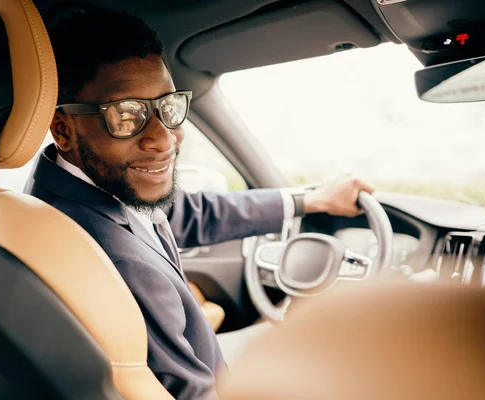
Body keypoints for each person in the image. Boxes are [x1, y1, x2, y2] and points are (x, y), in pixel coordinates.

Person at [24, 7, 373, 399]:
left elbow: (190, 214)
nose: (165, 137)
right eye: (126, 115)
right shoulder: (120, 263)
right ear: (63, 128)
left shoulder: (67, 188)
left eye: (168, 107)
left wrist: (313, 199)